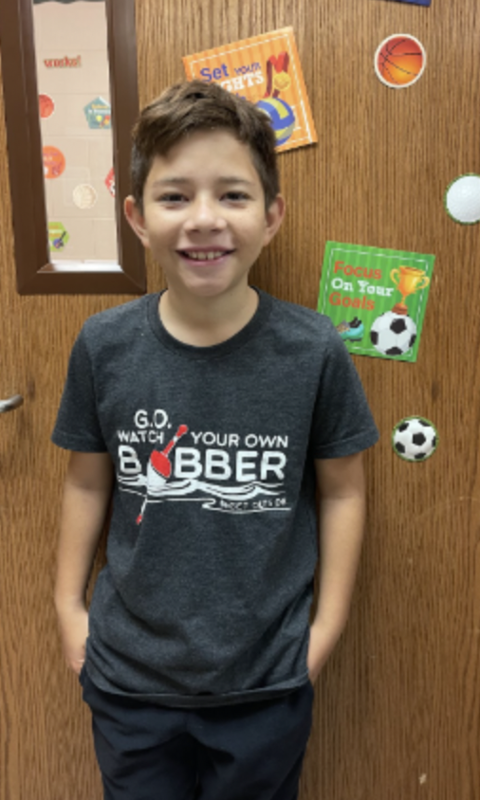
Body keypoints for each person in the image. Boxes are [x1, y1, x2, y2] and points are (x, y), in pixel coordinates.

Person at [52, 79, 379, 800]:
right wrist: (69, 610)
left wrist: (324, 632)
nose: (204, 220)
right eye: (175, 197)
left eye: (233, 195)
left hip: (267, 682)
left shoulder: (314, 349)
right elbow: (86, 479)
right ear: (137, 217)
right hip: (128, 680)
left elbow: (343, 492)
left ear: (272, 215)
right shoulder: (104, 345)